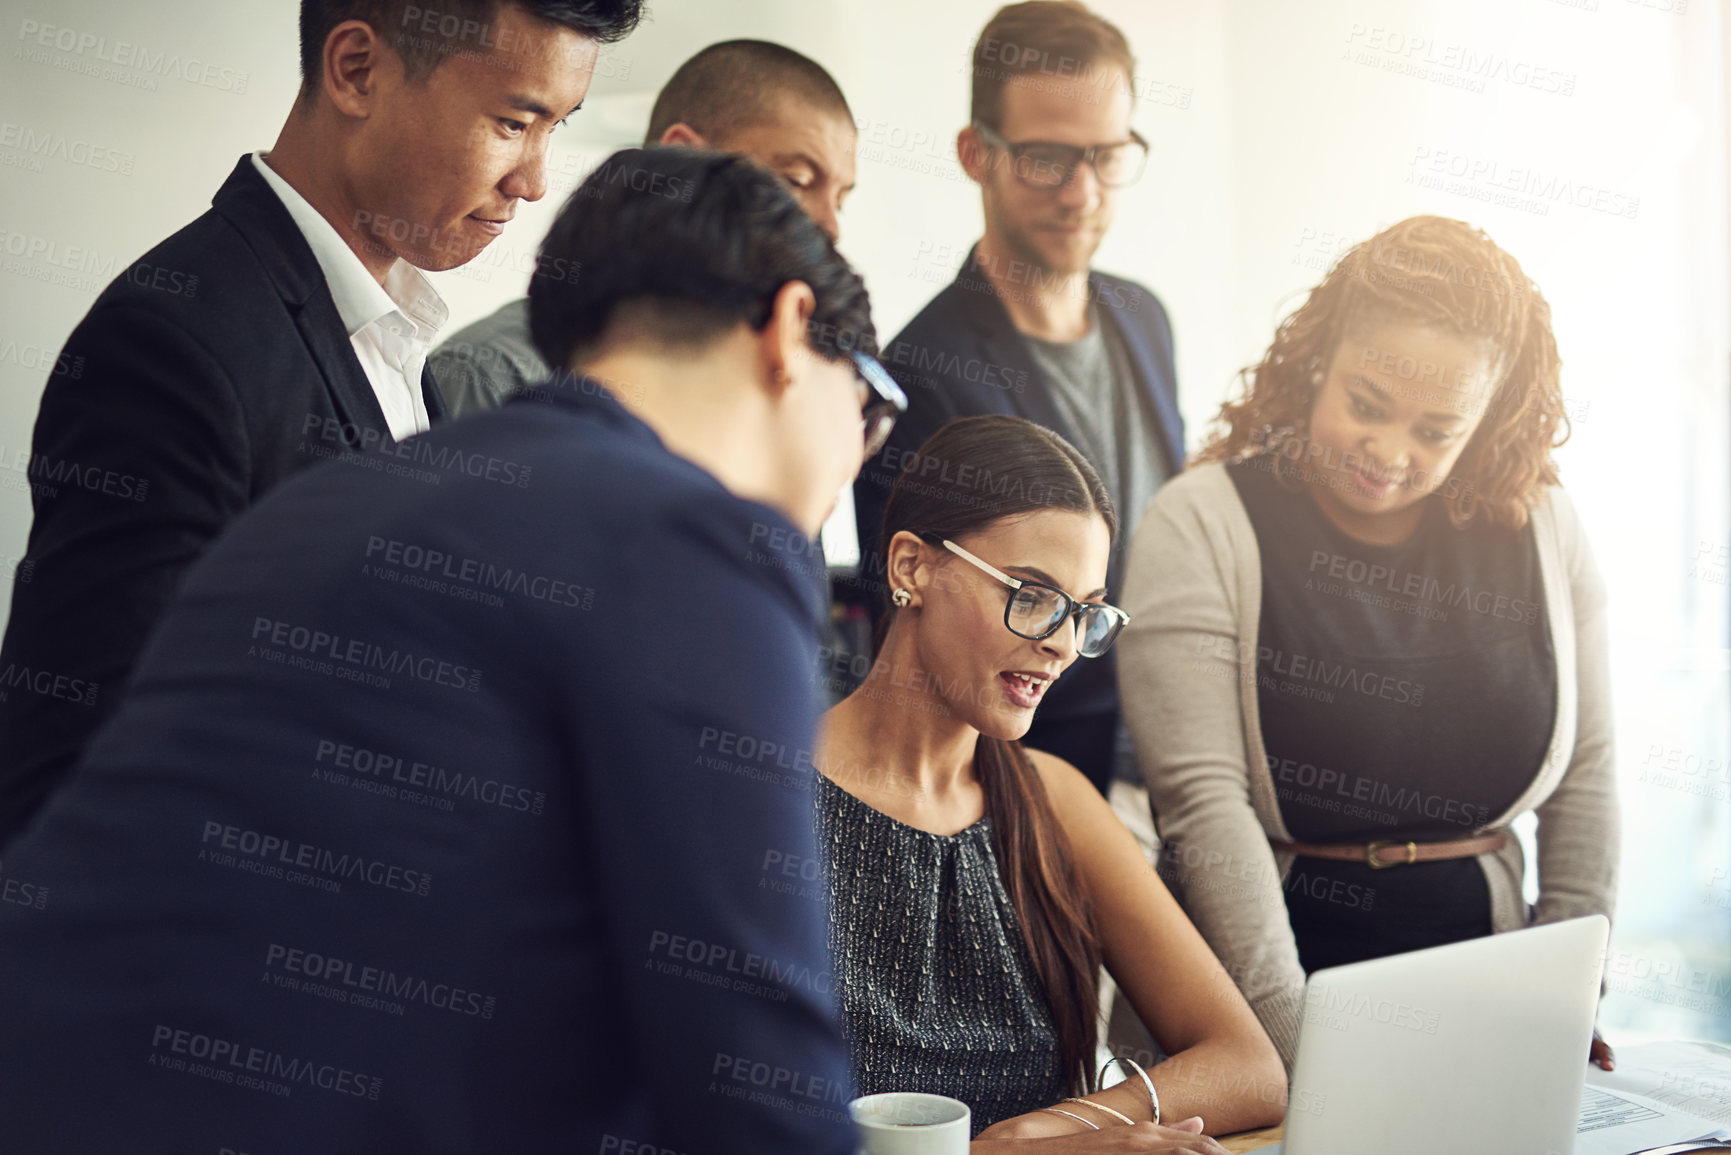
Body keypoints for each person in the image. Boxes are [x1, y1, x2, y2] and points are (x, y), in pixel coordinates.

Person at [0, 147, 902, 1153]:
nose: (859, 453)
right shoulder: (704, 539)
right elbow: (756, 1077)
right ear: (788, 331)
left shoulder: (324, 504)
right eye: (870, 404)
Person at [0, 0, 644, 848]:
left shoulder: (398, 338)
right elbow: (78, 773)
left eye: (553, 128)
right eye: (511, 122)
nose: (531, 179)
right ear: (355, 71)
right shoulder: (174, 344)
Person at [1117, 216, 1619, 1075]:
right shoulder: (1200, 521)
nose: (1387, 453)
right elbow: (1205, 805)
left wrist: (1570, 997)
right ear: (1320, 359)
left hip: (1498, 998)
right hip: (1268, 992)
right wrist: (1297, 1050)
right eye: (1365, 406)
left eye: (1435, 432)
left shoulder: (1542, 523)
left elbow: (1589, 773)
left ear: (1485, 418)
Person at [819, 415, 1284, 1149]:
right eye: (1030, 594)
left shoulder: (1053, 799)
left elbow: (1249, 1065)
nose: (1063, 644)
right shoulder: (769, 795)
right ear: (910, 567)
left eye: (1083, 610)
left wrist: (1047, 1130)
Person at [850, 1, 1183, 801]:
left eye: (1106, 155)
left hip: (1168, 756)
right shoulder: (919, 375)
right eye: (1045, 157)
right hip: (1033, 775)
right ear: (975, 153)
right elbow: (918, 636)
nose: (1082, 191)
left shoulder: (1144, 317)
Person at [430, 38, 858, 416]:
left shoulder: (785, 392)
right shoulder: (493, 374)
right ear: (680, 161)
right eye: (797, 181)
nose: (830, 226)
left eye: (841, 199)